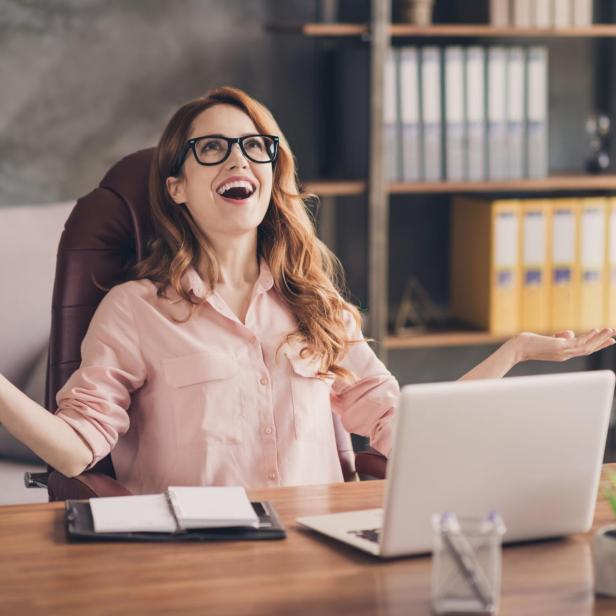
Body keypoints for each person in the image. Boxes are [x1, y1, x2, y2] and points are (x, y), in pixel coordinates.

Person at [0, 86, 614, 494]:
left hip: (319, 551)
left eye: (255, 148)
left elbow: (411, 432)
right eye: (211, 148)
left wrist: (511, 354)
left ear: (271, 174)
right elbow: (76, 450)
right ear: (177, 187)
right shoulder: (134, 310)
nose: (238, 160)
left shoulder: (316, 306)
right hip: (189, 560)